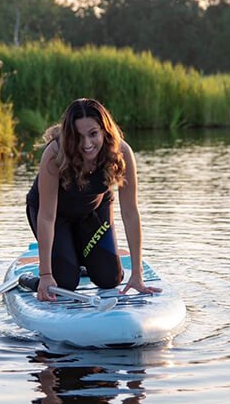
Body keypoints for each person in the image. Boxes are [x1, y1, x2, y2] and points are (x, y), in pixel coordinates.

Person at [25, 98, 161, 301]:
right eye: (78, 137)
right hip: (55, 216)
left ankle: (78, 258)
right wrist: (45, 275)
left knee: (110, 278)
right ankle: (33, 279)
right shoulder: (54, 155)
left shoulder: (121, 152)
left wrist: (137, 274)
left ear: (105, 131)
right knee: (65, 282)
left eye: (93, 134)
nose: (87, 144)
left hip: (93, 211)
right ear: (70, 136)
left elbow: (130, 213)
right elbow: (46, 216)